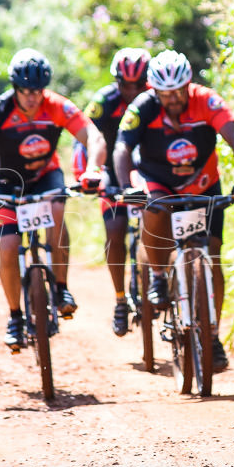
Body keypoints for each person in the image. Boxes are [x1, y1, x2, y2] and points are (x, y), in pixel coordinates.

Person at [0, 48, 107, 350]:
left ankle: (61, 288)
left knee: (58, 210)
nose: (32, 98)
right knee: (8, 248)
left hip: (45, 176)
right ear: (14, 88)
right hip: (7, 182)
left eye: (37, 91)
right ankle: (15, 317)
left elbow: (92, 135)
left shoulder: (57, 105)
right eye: (25, 92)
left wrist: (93, 169)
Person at [113, 50, 234, 372]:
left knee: (211, 256)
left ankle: (212, 335)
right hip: (159, 182)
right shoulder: (141, 107)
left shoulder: (208, 102)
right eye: (165, 93)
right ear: (154, 90)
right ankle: (158, 276)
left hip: (203, 183)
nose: (173, 98)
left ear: (189, 84)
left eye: (179, 91)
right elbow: (122, 148)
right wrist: (128, 186)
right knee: (152, 208)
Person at [79, 48, 150, 337]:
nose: (132, 92)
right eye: (125, 85)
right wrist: (90, 174)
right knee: (115, 230)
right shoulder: (102, 102)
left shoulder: (157, 99)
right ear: (116, 81)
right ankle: (120, 298)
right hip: (110, 169)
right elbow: (81, 139)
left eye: (139, 85)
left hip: (145, 167)